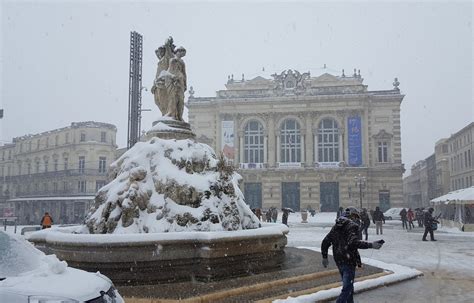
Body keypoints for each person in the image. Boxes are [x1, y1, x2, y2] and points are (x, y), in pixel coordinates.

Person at [321, 207, 384, 303]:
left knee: (349, 286)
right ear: (352, 216)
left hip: (339, 259)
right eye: (356, 217)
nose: (357, 220)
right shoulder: (352, 226)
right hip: (348, 260)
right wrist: (371, 245)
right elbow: (353, 243)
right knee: (347, 288)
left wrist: (324, 257)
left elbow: (325, 242)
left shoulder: (336, 226)